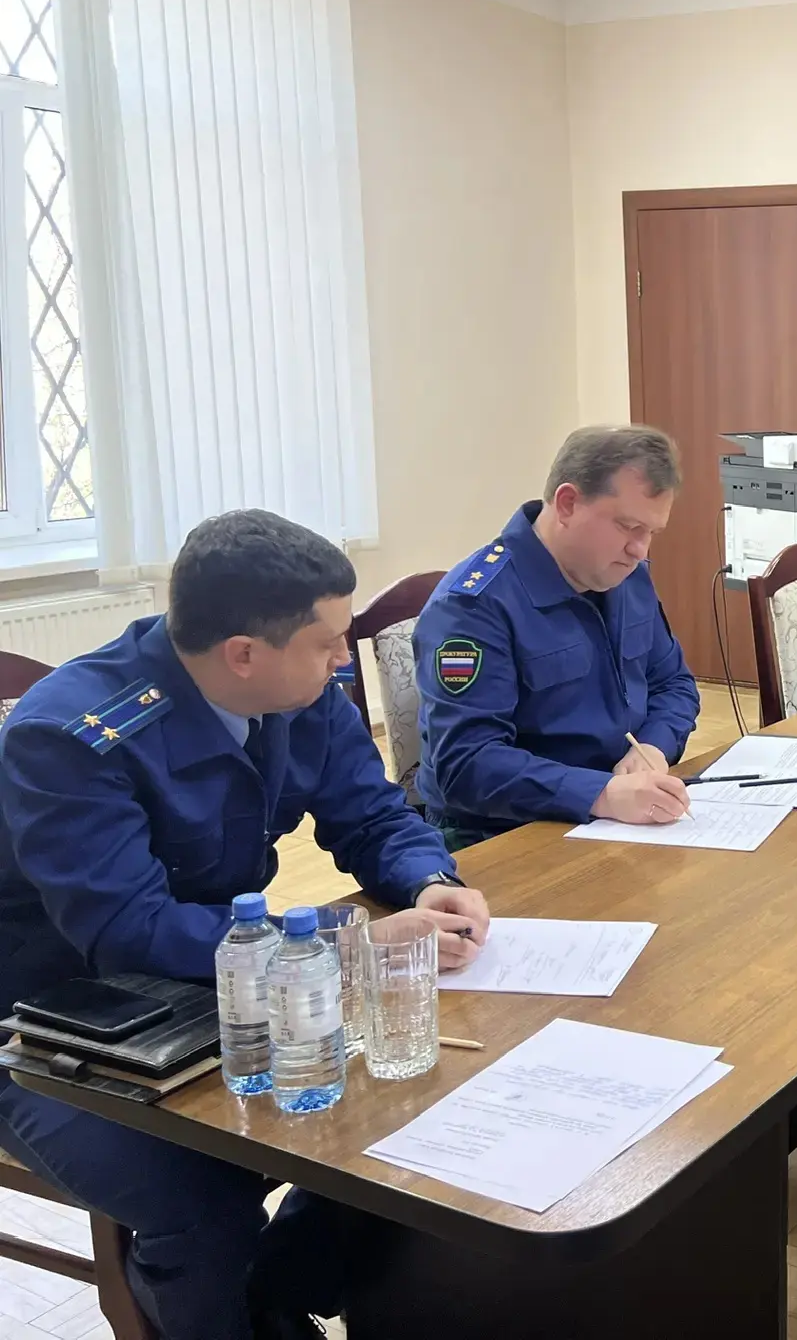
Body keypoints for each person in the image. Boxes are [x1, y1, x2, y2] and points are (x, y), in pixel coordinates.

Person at [0, 510, 494, 1340]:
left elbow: (372, 814)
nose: (346, 659)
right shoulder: (71, 738)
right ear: (242, 654)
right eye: (328, 642)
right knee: (198, 1191)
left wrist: (430, 880)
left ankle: (287, 1289)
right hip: (48, 1027)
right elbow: (129, 931)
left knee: (404, 1095)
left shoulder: (299, 693)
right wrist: (344, 945)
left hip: (222, 983)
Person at [414, 426, 702, 847]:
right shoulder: (473, 606)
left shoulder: (627, 578)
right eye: (628, 526)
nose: (640, 550)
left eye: (651, 533)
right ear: (567, 504)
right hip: (501, 833)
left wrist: (653, 749)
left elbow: (673, 683)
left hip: (618, 814)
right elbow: (465, 764)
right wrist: (601, 794)